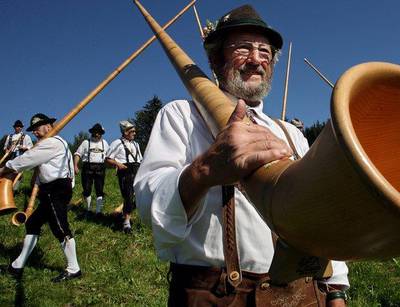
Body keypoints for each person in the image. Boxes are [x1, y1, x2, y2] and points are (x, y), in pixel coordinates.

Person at [134, 5, 349, 306]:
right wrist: (207, 168)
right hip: (217, 293)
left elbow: (318, 215)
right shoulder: (181, 115)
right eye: (243, 48)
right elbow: (147, 204)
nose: (256, 60)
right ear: (214, 59)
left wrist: (336, 288)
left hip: (300, 293)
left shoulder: (291, 133)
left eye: (265, 51)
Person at [0, 113, 81, 282]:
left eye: (37, 128)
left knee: (59, 227)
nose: (35, 132)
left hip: (55, 189)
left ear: (49, 126)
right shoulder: (54, 143)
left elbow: (26, 160)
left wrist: (4, 168)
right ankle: (17, 266)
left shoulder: (52, 143)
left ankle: (74, 269)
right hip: (52, 189)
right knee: (33, 223)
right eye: (33, 130)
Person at [106, 120, 142, 233]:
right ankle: (126, 223)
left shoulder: (136, 144)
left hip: (137, 170)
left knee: (140, 195)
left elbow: (140, 159)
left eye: (135, 131)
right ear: (125, 132)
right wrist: (118, 164)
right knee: (128, 196)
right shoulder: (117, 143)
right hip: (125, 171)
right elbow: (107, 158)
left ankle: (129, 215)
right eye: (132, 131)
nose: (134, 133)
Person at [73, 123, 109, 214]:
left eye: (99, 133)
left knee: (99, 189)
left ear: (101, 133)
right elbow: (78, 154)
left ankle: (98, 211)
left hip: (100, 167)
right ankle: (88, 209)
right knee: (87, 188)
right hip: (87, 167)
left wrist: (116, 165)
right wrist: (75, 165)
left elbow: (109, 156)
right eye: (95, 132)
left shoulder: (104, 143)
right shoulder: (86, 142)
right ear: (92, 132)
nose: (97, 134)